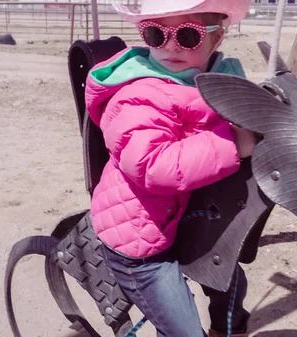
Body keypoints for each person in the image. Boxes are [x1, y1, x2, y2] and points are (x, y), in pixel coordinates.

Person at [84, 0, 256, 336]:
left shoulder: (215, 80)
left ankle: (227, 328)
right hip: (141, 241)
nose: (171, 46)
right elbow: (151, 166)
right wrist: (233, 143)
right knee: (183, 329)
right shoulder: (138, 94)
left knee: (231, 282)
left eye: (188, 36)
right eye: (155, 34)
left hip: (188, 215)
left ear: (216, 38)